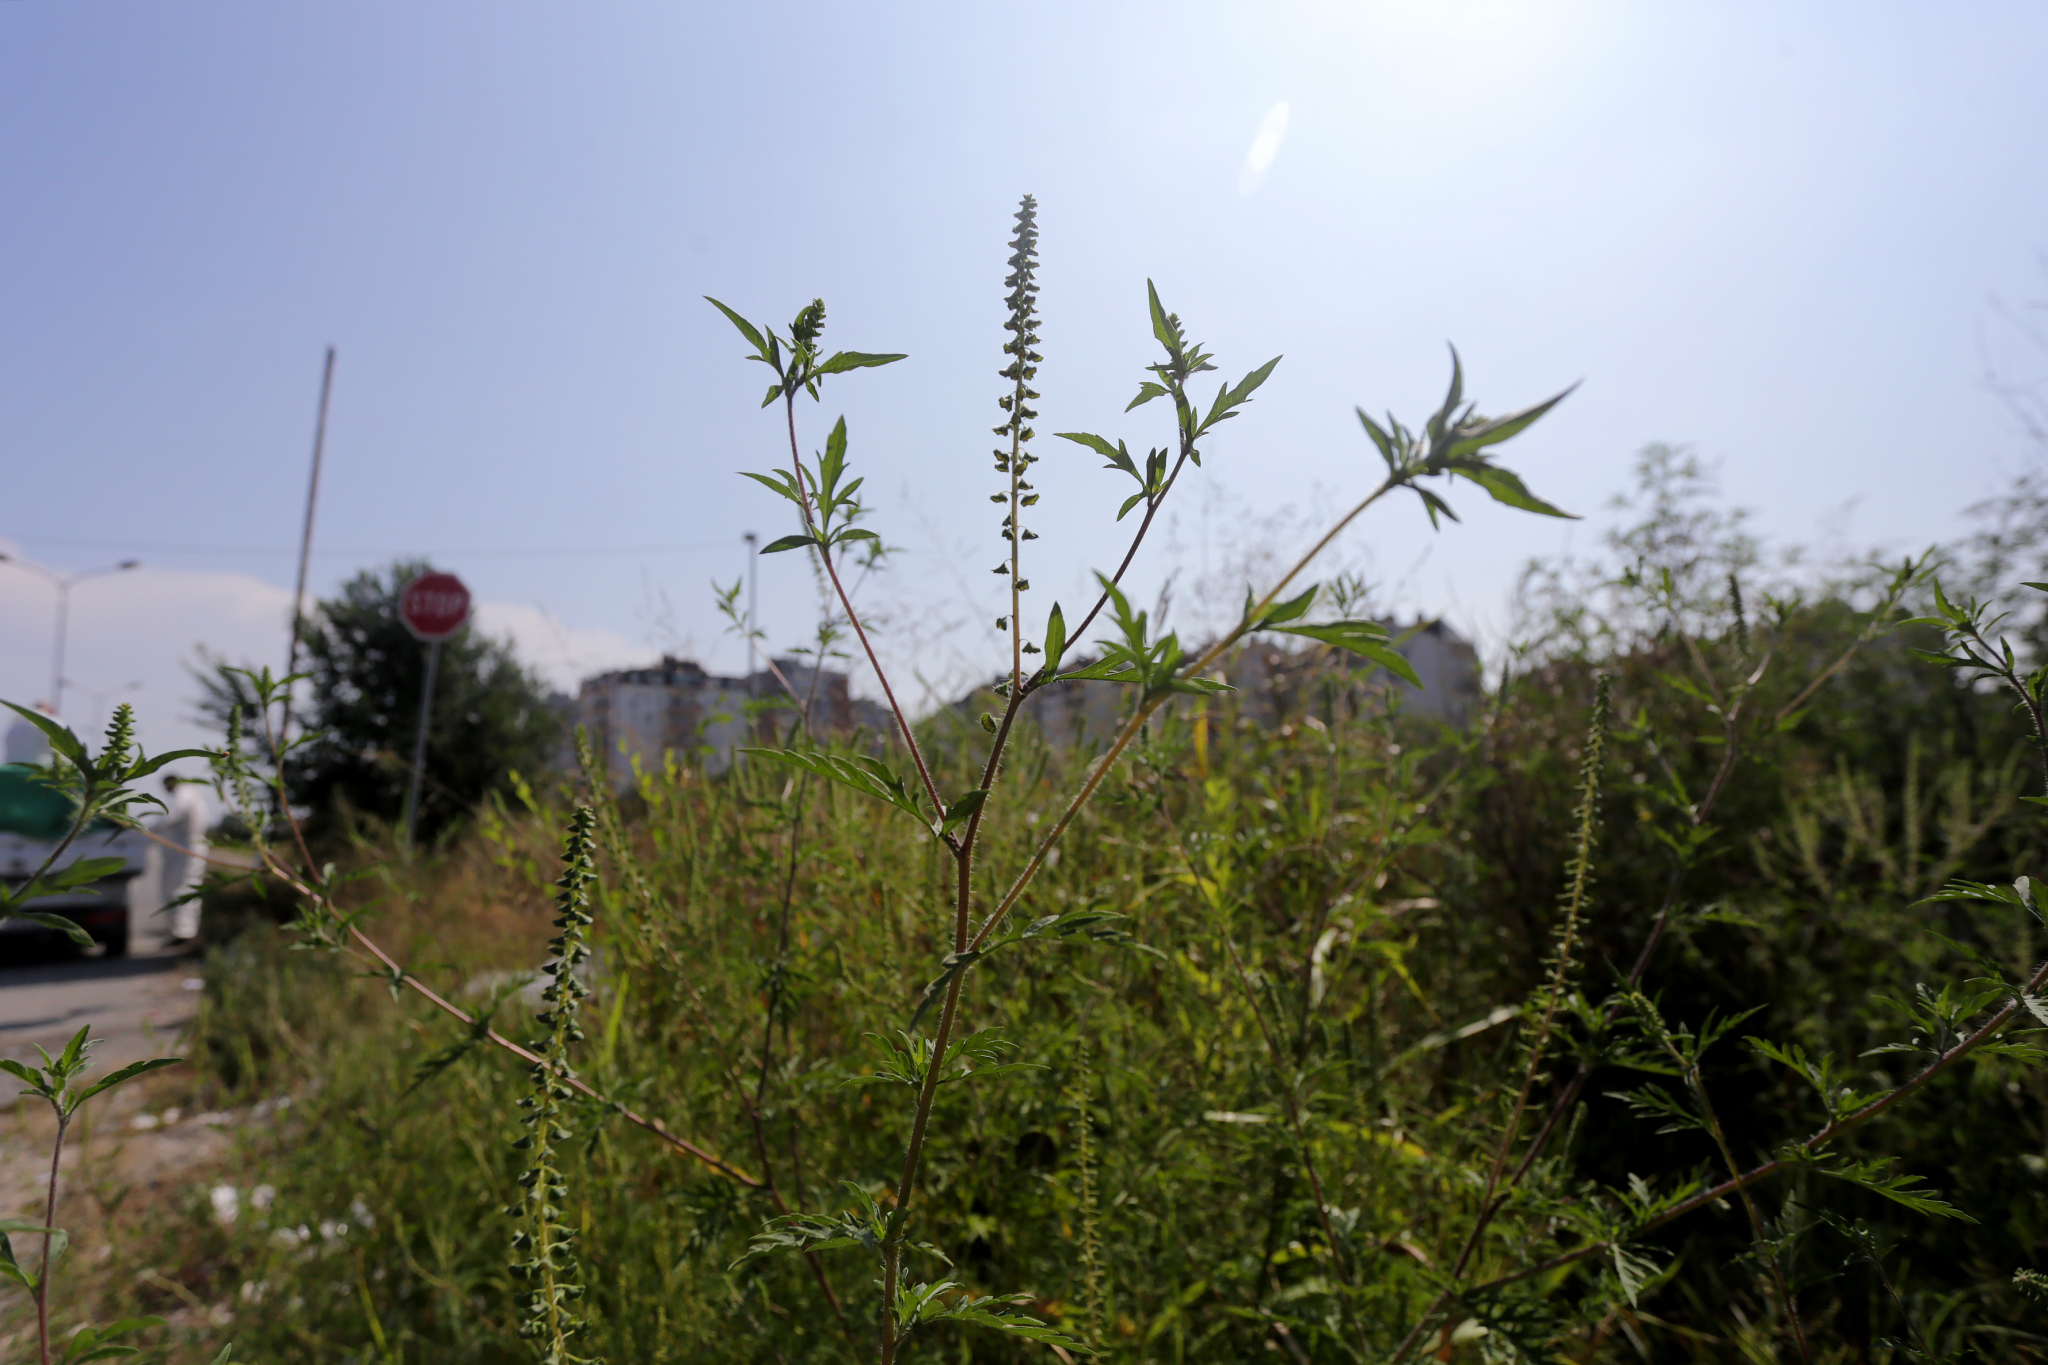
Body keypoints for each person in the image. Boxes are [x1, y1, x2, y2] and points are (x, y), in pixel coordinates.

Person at [158, 774, 210, 943]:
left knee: (179, 890)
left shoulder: (182, 796)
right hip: (191, 848)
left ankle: (183, 933)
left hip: (185, 850)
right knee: (188, 888)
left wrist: (140, 827)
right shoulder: (193, 795)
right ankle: (186, 931)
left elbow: (168, 817)